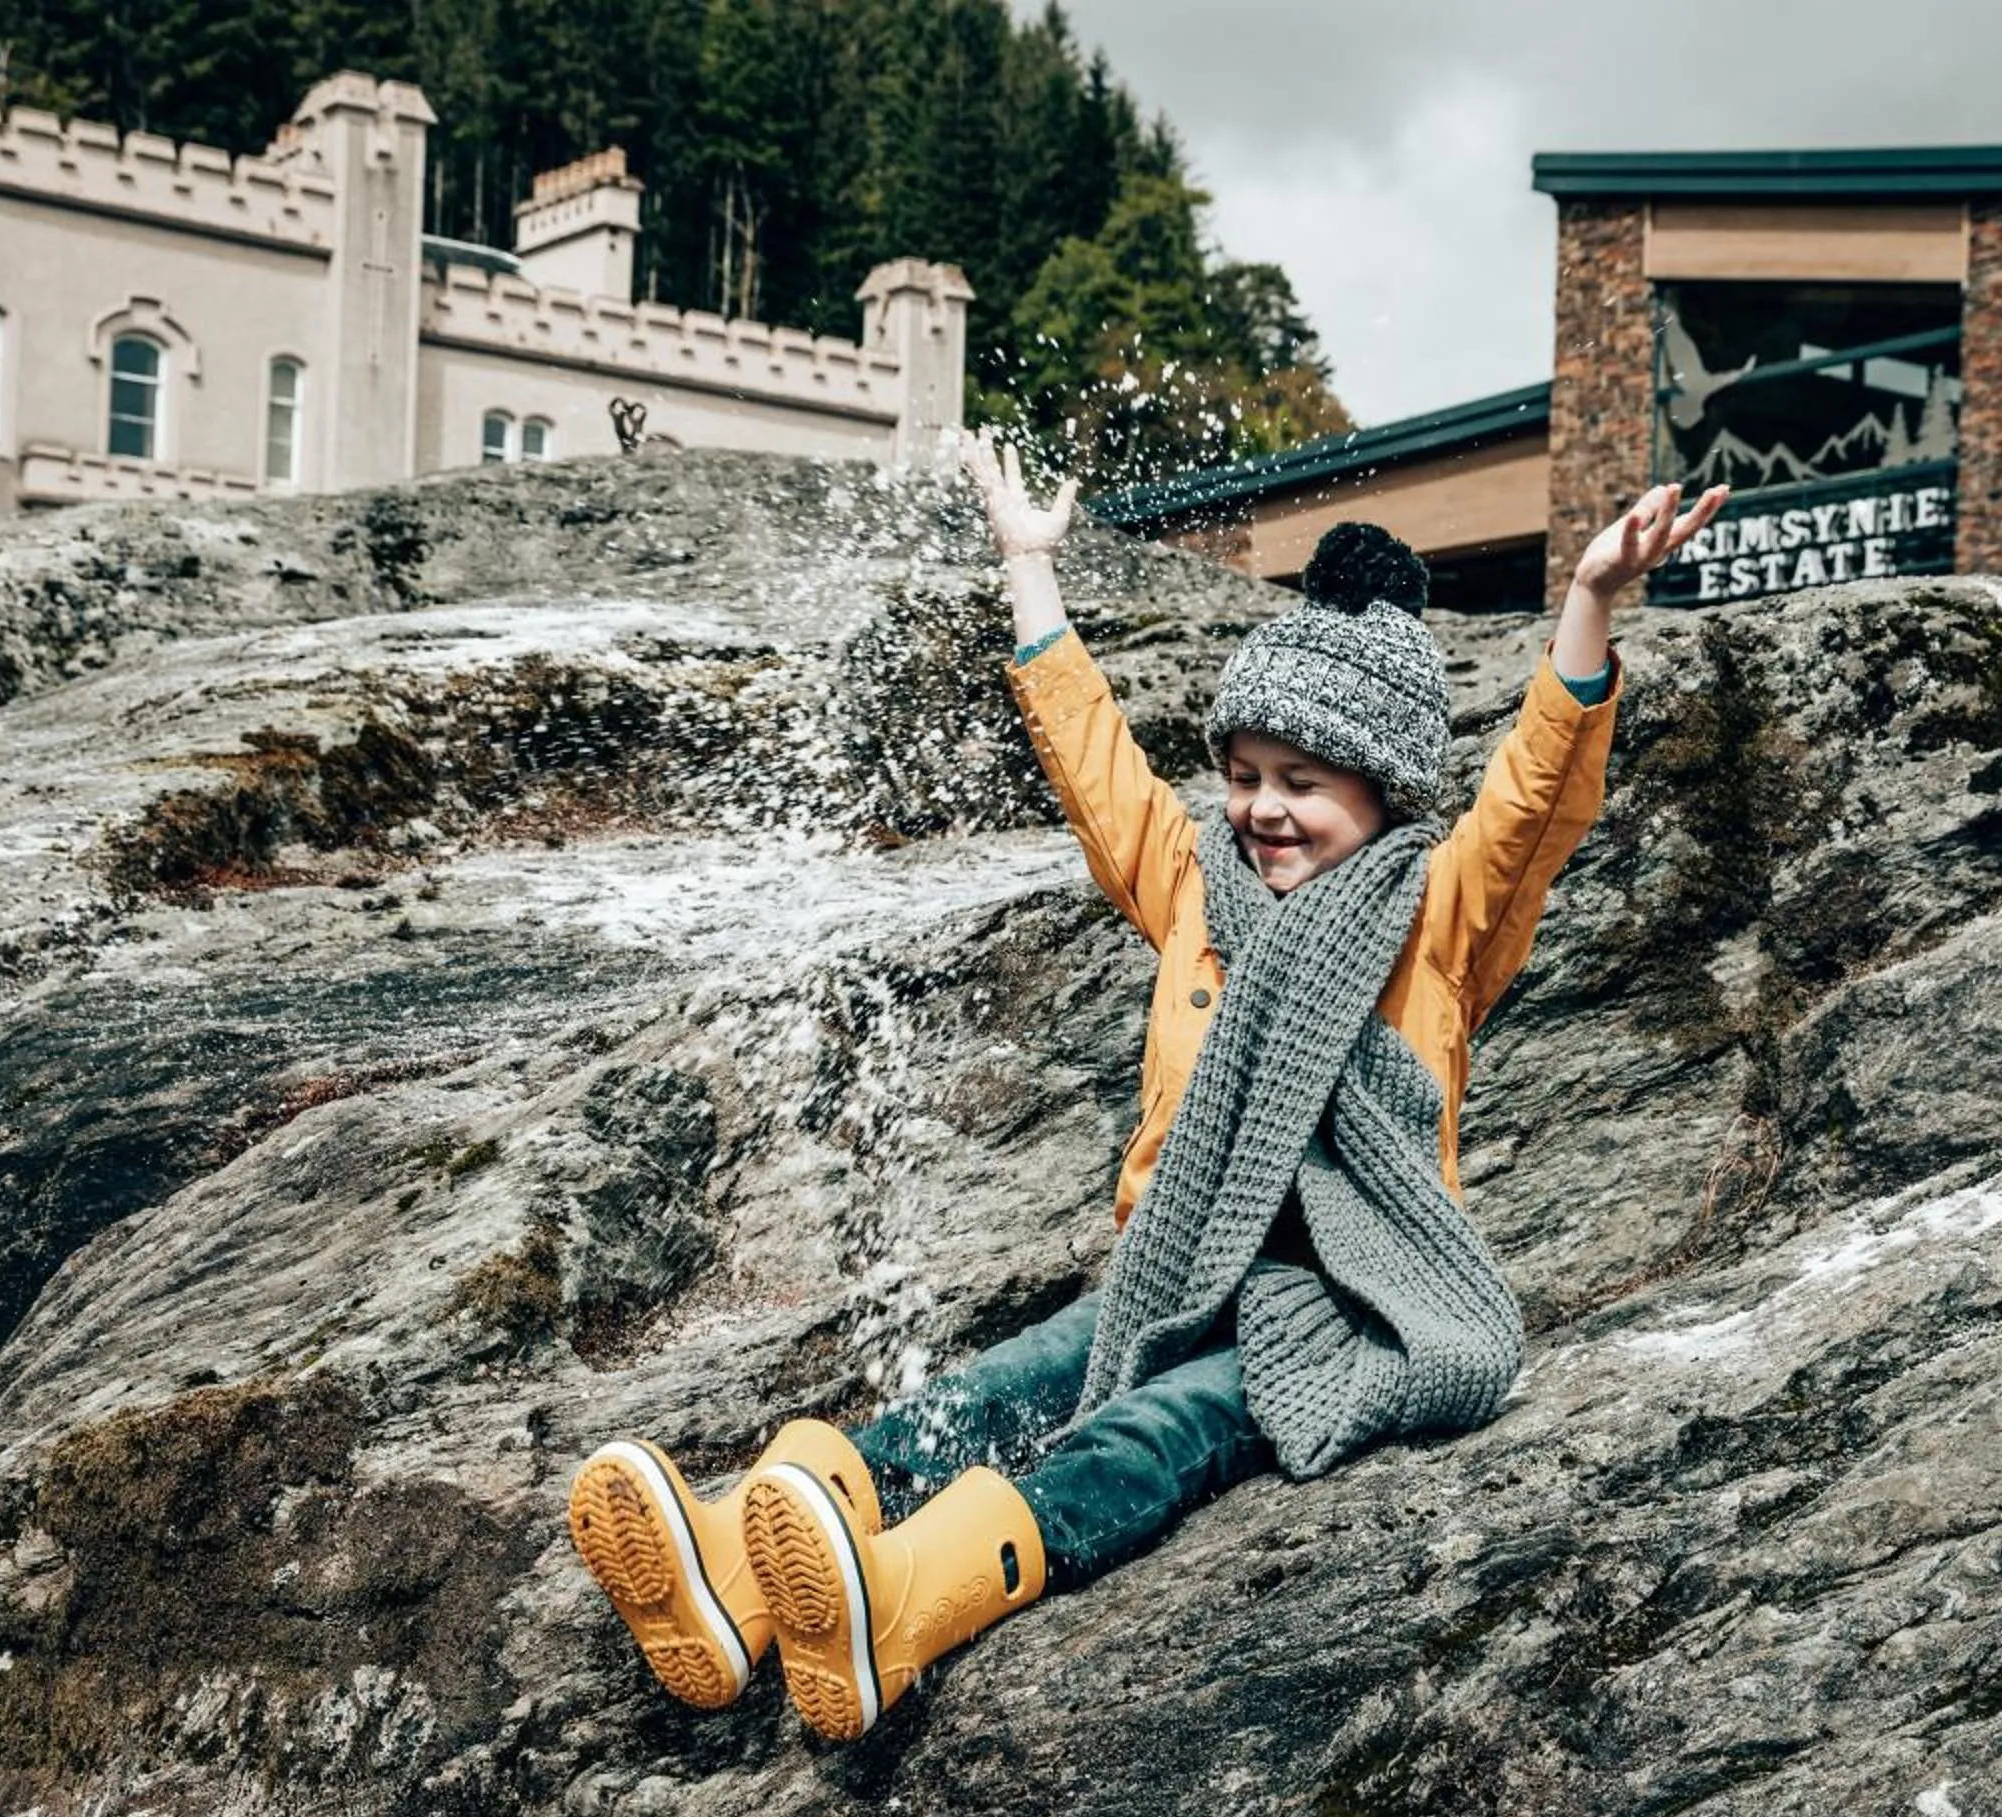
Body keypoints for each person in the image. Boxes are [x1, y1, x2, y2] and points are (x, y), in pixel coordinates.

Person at [569, 434, 1729, 1742]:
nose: (1264, 811)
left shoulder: (1443, 909)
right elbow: (1096, 763)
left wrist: (1588, 605)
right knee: (985, 1394)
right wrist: (1027, 568)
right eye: (1243, 777)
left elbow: (1535, 798)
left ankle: (904, 1599)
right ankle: (733, 1579)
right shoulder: (1193, 883)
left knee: (1150, 1433)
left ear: (1386, 792)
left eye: (1304, 784)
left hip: (1338, 1307)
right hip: (1170, 1273)